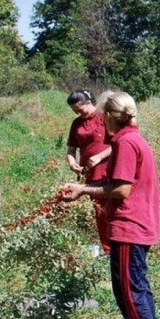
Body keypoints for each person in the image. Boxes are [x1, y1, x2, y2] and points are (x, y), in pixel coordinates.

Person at [61, 91, 160, 319]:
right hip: (135, 224)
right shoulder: (130, 139)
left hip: (130, 226)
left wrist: (83, 190)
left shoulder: (127, 144)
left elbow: (121, 189)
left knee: (130, 289)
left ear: (107, 117)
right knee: (134, 286)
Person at [66, 90, 113, 256]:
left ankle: (117, 247)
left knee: (112, 208)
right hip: (90, 174)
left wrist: (99, 156)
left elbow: (118, 144)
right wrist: (72, 163)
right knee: (99, 210)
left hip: (108, 171)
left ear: (89, 102)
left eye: (80, 109)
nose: (79, 113)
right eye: (75, 111)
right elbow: (71, 149)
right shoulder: (76, 124)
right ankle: (108, 250)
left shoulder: (104, 118)